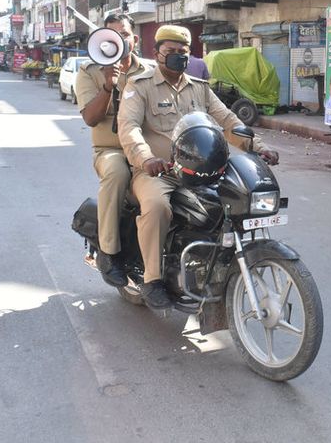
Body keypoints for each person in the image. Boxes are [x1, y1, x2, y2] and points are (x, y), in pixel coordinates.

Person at [117, 25, 279, 310]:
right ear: (157, 54)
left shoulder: (199, 88)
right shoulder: (140, 85)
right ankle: (152, 280)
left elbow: (229, 121)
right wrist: (146, 159)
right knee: (157, 207)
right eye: (171, 52)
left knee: (232, 201)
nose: (178, 57)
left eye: (183, 52)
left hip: (202, 169)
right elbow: (128, 128)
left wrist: (260, 146)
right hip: (160, 171)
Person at [75, 13, 151, 287]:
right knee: (118, 172)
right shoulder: (90, 72)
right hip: (112, 150)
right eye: (112, 36)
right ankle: (109, 253)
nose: (119, 41)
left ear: (135, 39)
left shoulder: (150, 71)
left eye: (125, 35)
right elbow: (90, 119)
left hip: (148, 150)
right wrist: (109, 85)